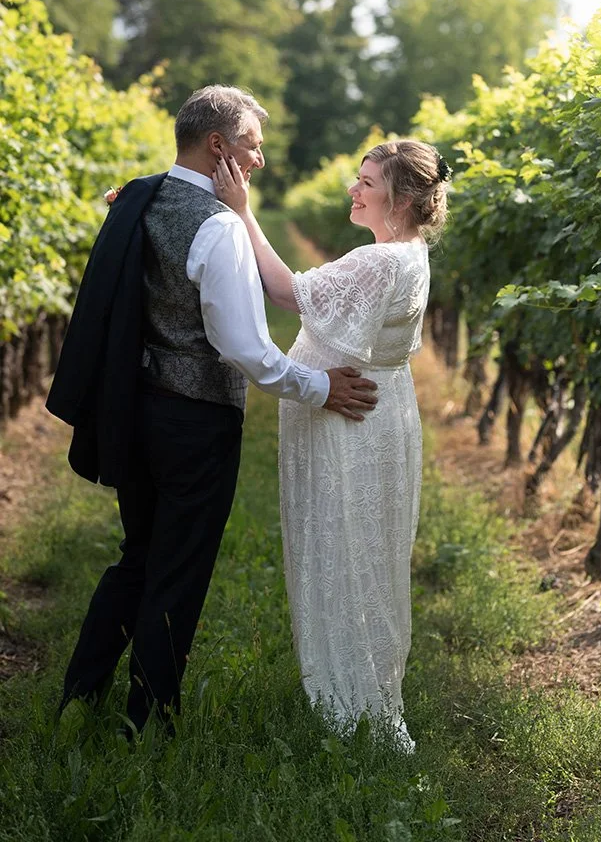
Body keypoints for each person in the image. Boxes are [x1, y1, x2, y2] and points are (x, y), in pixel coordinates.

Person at [46, 84, 377, 733]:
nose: (258, 160)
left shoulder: (136, 197)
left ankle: (78, 696)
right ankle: (149, 722)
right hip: (195, 422)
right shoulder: (218, 228)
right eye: (252, 146)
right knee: (178, 567)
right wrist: (318, 386)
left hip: (131, 406)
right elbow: (244, 349)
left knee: (138, 553)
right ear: (218, 145)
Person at [212, 138, 449, 751]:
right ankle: (363, 688)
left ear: (398, 197)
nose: (354, 189)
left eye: (367, 182)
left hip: (351, 421)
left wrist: (242, 211)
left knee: (346, 547)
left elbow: (290, 293)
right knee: (367, 550)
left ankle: (354, 705)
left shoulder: (382, 262)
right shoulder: (407, 253)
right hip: (377, 411)